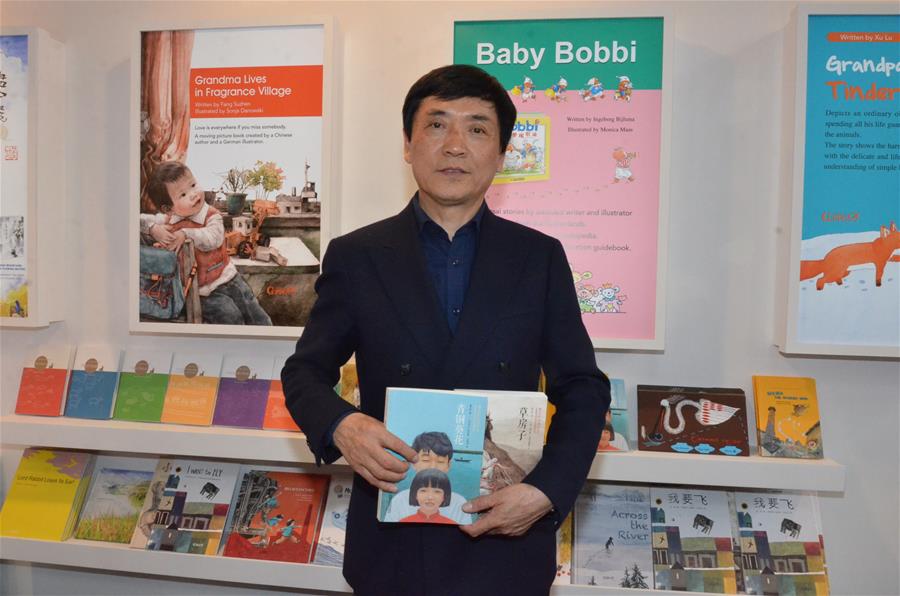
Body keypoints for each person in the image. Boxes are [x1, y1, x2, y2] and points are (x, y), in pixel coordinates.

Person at [282, 64, 610, 595]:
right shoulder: (357, 256)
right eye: (437, 125)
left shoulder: (540, 258)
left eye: (477, 128)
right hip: (393, 542)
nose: (455, 145)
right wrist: (340, 425)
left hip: (506, 540)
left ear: (501, 155)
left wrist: (547, 492)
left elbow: (583, 387)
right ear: (408, 145)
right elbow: (304, 372)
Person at [140, 161, 272, 325]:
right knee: (230, 316)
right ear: (168, 209)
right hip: (199, 292)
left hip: (228, 279)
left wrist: (186, 233)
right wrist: (153, 228)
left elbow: (213, 238)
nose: (194, 194)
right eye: (183, 195)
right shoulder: (167, 220)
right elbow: (137, 219)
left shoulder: (211, 215)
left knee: (256, 315)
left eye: (193, 185)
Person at [384, 431, 473, 523]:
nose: (433, 467)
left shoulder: (459, 503)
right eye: (426, 460)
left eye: (440, 461)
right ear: (413, 463)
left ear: (449, 465)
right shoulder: (399, 501)